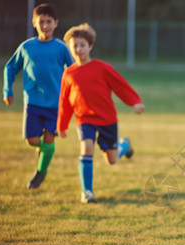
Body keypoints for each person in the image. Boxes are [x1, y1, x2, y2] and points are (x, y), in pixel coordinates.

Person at [57, 23, 145, 204]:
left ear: (90, 46)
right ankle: (87, 192)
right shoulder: (68, 74)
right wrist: (62, 125)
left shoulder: (102, 67)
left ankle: (124, 146)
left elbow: (120, 85)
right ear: (70, 48)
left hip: (107, 119)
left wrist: (134, 101)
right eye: (75, 46)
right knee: (86, 147)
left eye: (82, 45)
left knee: (111, 160)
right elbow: (64, 102)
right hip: (84, 119)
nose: (79, 49)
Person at [3, 3, 74, 189]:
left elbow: (73, 71)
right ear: (34, 23)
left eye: (49, 22)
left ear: (56, 23)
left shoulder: (61, 47)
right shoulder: (27, 47)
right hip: (33, 103)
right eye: (41, 22)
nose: (45, 26)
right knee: (32, 141)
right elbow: (10, 67)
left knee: (49, 138)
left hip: (55, 104)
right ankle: (46, 152)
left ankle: (40, 173)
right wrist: (7, 90)